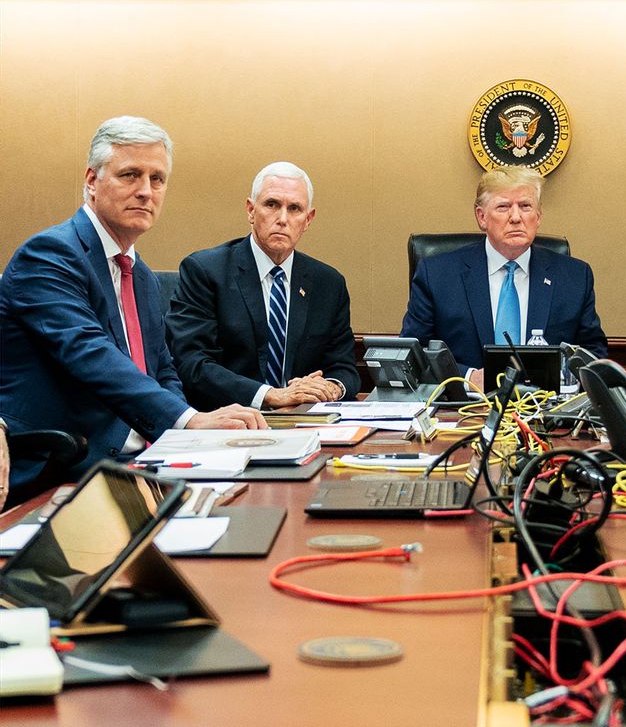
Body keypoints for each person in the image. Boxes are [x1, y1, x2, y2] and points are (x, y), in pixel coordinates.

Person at [0, 116, 265, 498]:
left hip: (144, 464)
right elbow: (91, 355)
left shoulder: (139, 273)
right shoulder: (50, 255)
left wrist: (185, 442)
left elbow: (162, 369)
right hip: (66, 471)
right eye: (130, 175)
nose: (146, 191)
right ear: (92, 181)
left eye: (157, 179)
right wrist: (187, 421)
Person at [167, 162, 359, 411]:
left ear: (308, 219)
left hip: (304, 422)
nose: (282, 219)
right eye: (272, 205)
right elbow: (192, 363)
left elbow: (343, 366)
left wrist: (331, 387)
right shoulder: (205, 271)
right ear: (251, 210)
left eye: (294, 209)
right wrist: (269, 395)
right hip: (228, 420)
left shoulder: (328, 284)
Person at [401, 166, 607, 390]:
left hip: (545, 413)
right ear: (481, 217)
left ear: (538, 217)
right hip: (461, 411)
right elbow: (415, 353)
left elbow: (592, 354)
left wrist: (564, 376)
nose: (516, 217)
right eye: (503, 207)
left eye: (526, 206)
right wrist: (468, 377)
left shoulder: (574, 277)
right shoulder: (437, 275)